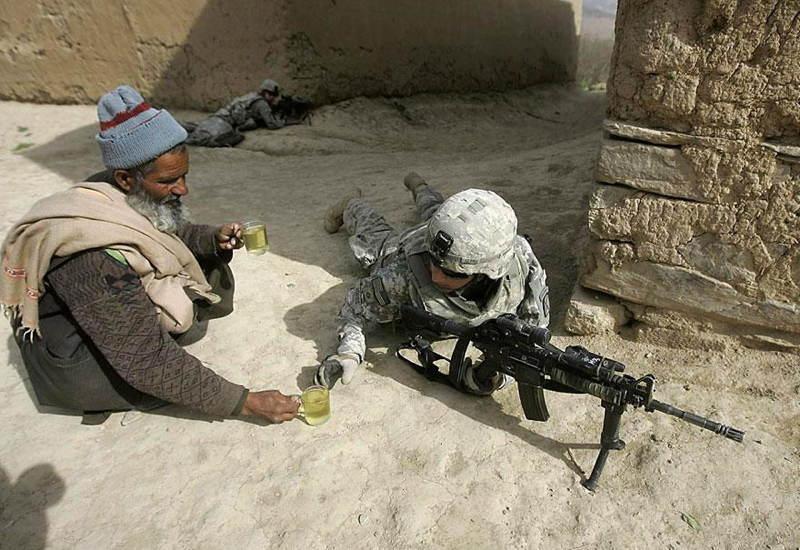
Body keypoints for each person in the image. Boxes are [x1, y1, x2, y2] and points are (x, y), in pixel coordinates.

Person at [0, 85, 299, 424]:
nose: (183, 189)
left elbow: (161, 231)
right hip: (77, 360)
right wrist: (245, 402)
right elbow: (145, 360)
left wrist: (210, 239)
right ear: (126, 178)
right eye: (170, 181)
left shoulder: (124, 192)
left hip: (107, 314)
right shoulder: (90, 255)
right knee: (147, 377)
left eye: (184, 176)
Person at [316, 173, 550, 394]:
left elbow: (533, 327)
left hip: (441, 234)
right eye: (432, 264)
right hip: (406, 245)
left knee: (433, 210)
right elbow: (354, 308)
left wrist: (500, 374)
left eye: (451, 273)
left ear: (487, 272)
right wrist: (350, 352)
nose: (436, 276)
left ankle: (420, 187)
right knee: (375, 236)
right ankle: (352, 204)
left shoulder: (519, 258)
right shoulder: (402, 276)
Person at [183, 79, 312, 147]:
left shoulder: (253, 96)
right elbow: (272, 124)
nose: (273, 98)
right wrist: (289, 121)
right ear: (266, 93)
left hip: (220, 117)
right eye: (272, 95)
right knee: (199, 139)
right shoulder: (261, 104)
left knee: (194, 128)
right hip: (223, 122)